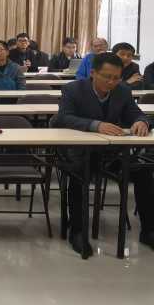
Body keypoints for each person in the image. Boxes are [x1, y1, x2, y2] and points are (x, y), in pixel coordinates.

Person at [55, 52, 154, 256]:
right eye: (106, 77)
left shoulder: (123, 90)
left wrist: (141, 122)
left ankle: (149, 231)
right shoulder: (73, 89)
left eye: (116, 78)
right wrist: (95, 125)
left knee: (143, 171)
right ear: (93, 73)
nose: (111, 82)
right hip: (79, 152)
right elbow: (63, 118)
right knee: (79, 175)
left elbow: (136, 114)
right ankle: (78, 231)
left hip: (111, 153)